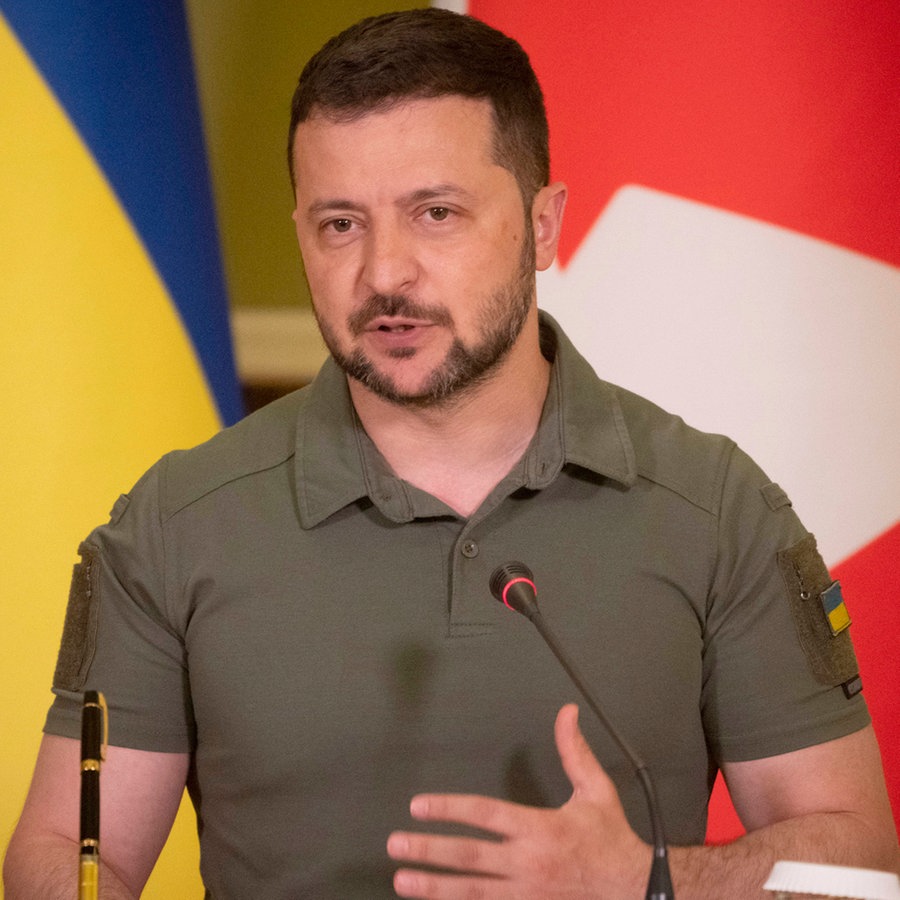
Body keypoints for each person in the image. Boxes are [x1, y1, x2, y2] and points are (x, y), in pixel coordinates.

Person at [4, 8, 897, 899]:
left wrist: (649, 881)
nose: (385, 273)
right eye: (340, 225)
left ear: (543, 228)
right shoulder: (174, 524)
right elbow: (69, 852)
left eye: (436, 213)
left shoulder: (718, 510)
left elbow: (856, 858)